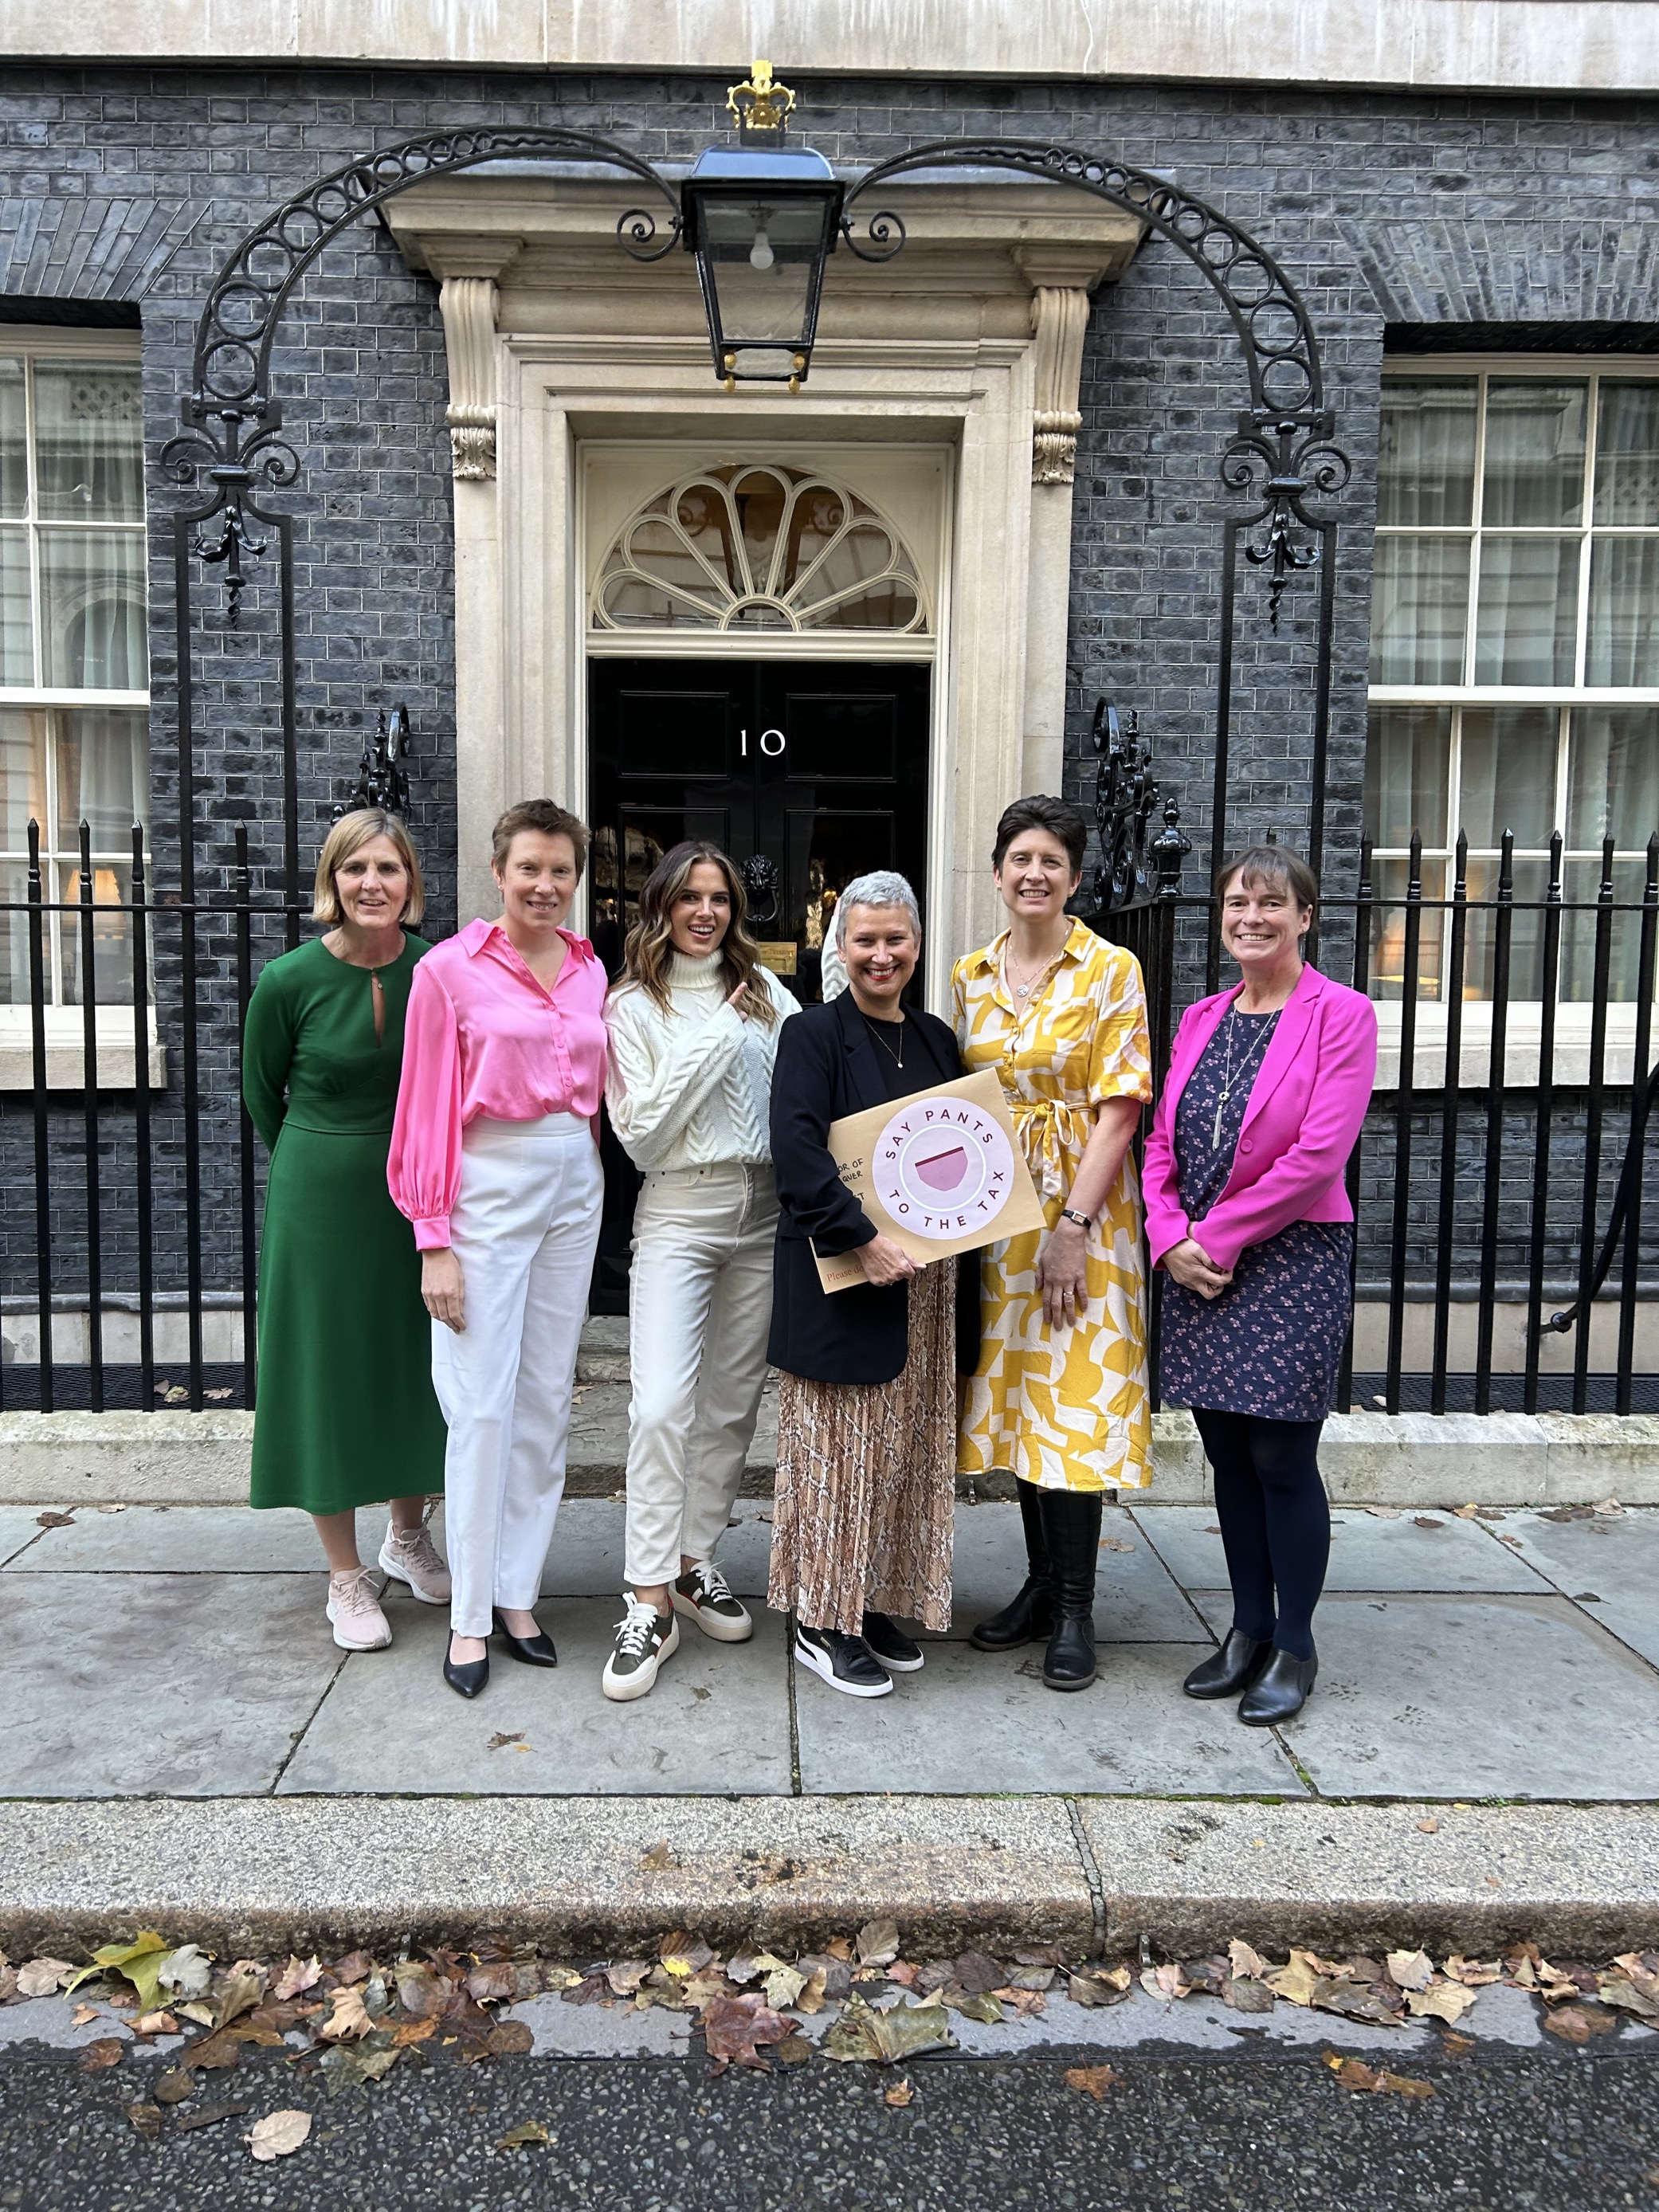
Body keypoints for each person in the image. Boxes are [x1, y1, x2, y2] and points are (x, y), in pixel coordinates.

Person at [1143, 845, 1378, 1725]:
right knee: (1227, 1453)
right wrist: (1169, 1236)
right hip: (1196, 1263)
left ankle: (1296, 1645)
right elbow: (1161, 1141)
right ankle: (1245, 1628)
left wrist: (1219, 1234)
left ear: (1304, 917)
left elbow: (1320, 1154)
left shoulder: (1343, 1016)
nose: (1251, 916)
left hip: (1290, 1257)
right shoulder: (1202, 1016)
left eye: (1271, 903)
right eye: (1238, 902)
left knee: (1282, 1454)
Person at [388, 799, 607, 1700]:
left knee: (545, 1400)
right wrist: (433, 1239)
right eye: (530, 868)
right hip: (488, 1181)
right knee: (479, 1404)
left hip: (574, 1179)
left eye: (561, 870)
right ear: (498, 870)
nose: (546, 885)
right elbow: (424, 1106)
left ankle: (520, 1594)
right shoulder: (448, 970)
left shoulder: (594, 968)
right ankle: (469, 1615)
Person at [955, 794, 1153, 1692]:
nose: (1034, 874)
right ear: (997, 873)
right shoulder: (969, 974)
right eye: (1020, 858)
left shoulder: (1111, 969)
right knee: (1026, 1409)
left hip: (1085, 1215)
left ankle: (1077, 1610)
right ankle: (1038, 1586)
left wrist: (1073, 1227)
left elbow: (1119, 1112)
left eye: (1052, 861)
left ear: (1074, 879)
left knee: (1071, 1405)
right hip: (1000, 1219)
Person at [242, 808, 450, 1651]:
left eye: (389, 869)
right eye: (355, 868)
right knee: (325, 1370)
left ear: (411, 885)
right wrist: (319, 1157)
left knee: (416, 1362)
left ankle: (407, 1535)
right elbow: (263, 1097)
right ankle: (344, 1574)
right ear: (333, 881)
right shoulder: (286, 980)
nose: (373, 884)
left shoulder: (439, 971)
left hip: (420, 1193)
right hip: (320, 1194)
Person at [600, 841, 797, 1701]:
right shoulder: (631, 1007)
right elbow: (639, 1133)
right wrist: (723, 1024)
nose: (707, 912)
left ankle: (692, 1558)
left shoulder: (770, 993)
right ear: (663, 906)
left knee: (729, 1403)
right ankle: (646, 1598)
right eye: (690, 898)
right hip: (679, 1210)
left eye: (719, 898)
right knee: (660, 1407)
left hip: (763, 1210)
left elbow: (807, 1085)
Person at [766, 871, 961, 1698]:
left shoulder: (936, 1039)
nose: (881, 954)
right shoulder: (811, 1035)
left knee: (899, 1456)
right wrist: (866, 1241)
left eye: (896, 939)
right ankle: (819, 1617)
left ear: (915, 946)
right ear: (838, 947)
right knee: (835, 1457)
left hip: (924, 1284)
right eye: (866, 939)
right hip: (842, 1272)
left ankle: (870, 1597)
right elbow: (799, 1157)